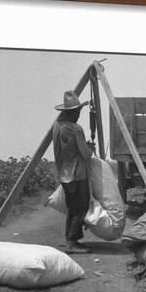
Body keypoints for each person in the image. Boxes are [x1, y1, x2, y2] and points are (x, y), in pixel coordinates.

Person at [52, 90, 95, 254]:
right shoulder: (75, 129)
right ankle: (72, 242)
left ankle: (70, 239)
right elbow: (85, 153)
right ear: (71, 112)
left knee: (72, 207)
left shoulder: (57, 127)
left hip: (63, 173)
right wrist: (90, 148)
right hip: (76, 174)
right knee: (81, 206)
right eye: (77, 112)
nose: (78, 115)